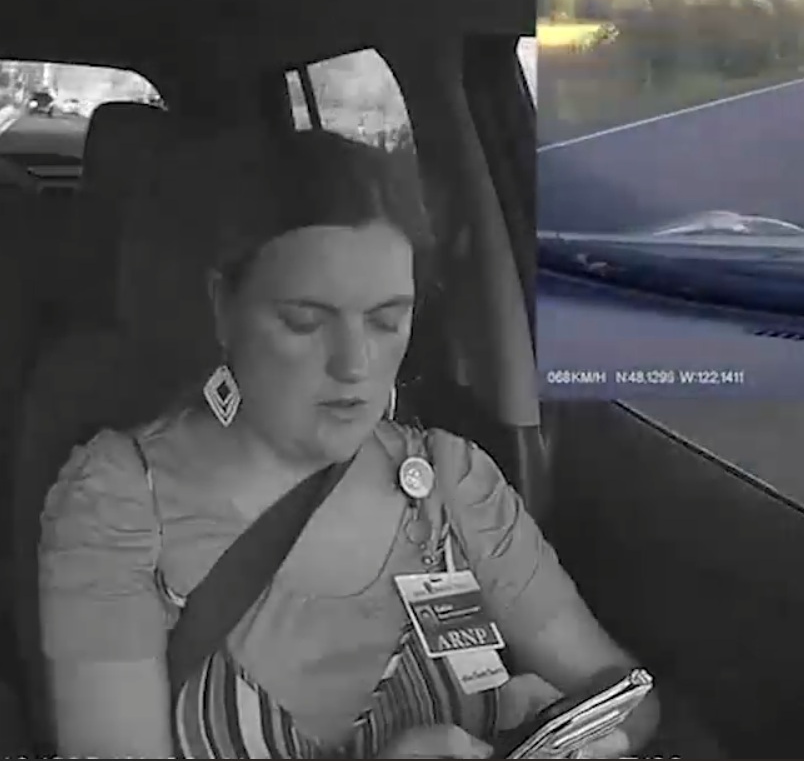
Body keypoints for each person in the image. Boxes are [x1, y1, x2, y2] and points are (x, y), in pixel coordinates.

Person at [36, 128, 666, 759]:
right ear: (224, 306)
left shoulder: (453, 483)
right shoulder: (119, 502)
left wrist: (566, 740)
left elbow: (626, 698)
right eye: (304, 322)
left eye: (388, 320)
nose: (355, 364)